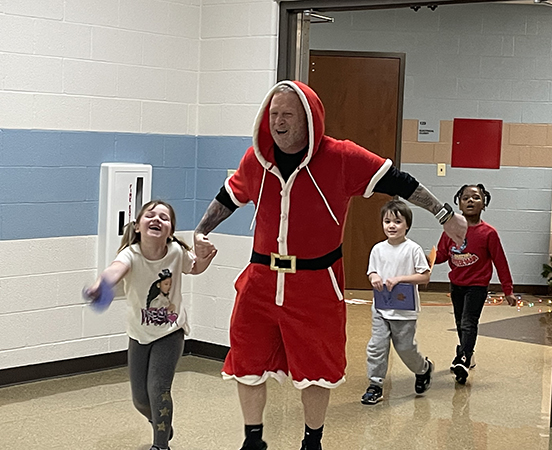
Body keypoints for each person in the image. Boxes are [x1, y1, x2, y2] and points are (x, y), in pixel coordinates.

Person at [192, 80, 467, 450]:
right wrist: (200, 231)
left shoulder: (341, 157)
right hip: (260, 279)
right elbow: (229, 195)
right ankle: (253, 440)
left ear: (308, 120)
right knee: (246, 359)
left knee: (317, 368)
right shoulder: (257, 159)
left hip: (316, 284)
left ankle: (312, 441)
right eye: (273, 114)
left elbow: (399, 181)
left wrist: (444, 212)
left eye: (288, 114)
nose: (278, 122)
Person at [86, 200, 216, 450]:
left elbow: (195, 267)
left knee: (159, 389)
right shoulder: (130, 254)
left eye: (164, 218)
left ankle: (160, 445)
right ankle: (161, 423)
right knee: (140, 400)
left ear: (170, 231)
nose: (157, 219)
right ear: (137, 226)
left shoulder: (176, 252)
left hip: (170, 332)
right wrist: (100, 284)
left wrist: (204, 257)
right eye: (150, 215)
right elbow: (114, 270)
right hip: (138, 334)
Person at [434, 184, 517, 386]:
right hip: (457, 285)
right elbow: (443, 255)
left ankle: (462, 358)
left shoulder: (488, 233)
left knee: (469, 322)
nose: (470, 201)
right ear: (459, 203)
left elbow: (500, 261)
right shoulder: (451, 230)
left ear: (484, 203)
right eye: (465, 198)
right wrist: (421, 259)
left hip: (477, 286)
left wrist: (508, 290)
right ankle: (466, 352)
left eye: (476, 198)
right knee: (460, 323)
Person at [361, 199, 433, 406]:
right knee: (376, 346)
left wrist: (401, 279)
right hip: (381, 308)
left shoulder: (413, 249)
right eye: (387, 221)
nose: (391, 226)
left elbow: (424, 277)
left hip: (404, 311)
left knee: (405, 348)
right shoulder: (378, 249)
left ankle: (423, 368)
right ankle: (375, 385)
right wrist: (373, 276)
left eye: (397, 222)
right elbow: (372, 270)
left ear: (407, 225)